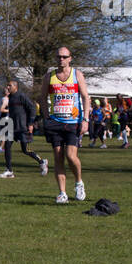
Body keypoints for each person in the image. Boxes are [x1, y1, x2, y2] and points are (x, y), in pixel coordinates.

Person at [40, 48, 90, 202]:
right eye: (58, 57)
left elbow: (85, 97)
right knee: (58, 157)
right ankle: (62, 193)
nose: (61, 59)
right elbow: (42, 98)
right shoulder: (49, 77)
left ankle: (78, 182)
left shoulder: (77, 75)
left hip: (73, 123)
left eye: (64, 57)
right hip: (55, 122)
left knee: (70, 155)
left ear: (70, 58)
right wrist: (46, 116)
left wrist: (85, 119)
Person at [0, 78, 47, 178]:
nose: (7, 87)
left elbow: (32, 108)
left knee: (25, 150)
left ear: (15, 87)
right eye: (7, 85)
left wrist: (30, 124)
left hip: (22, 127)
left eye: (9, 85)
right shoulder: (10, 97)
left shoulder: (21, 96)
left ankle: (41, 162)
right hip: (12, 127)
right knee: (7, 146)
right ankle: (9, 171)